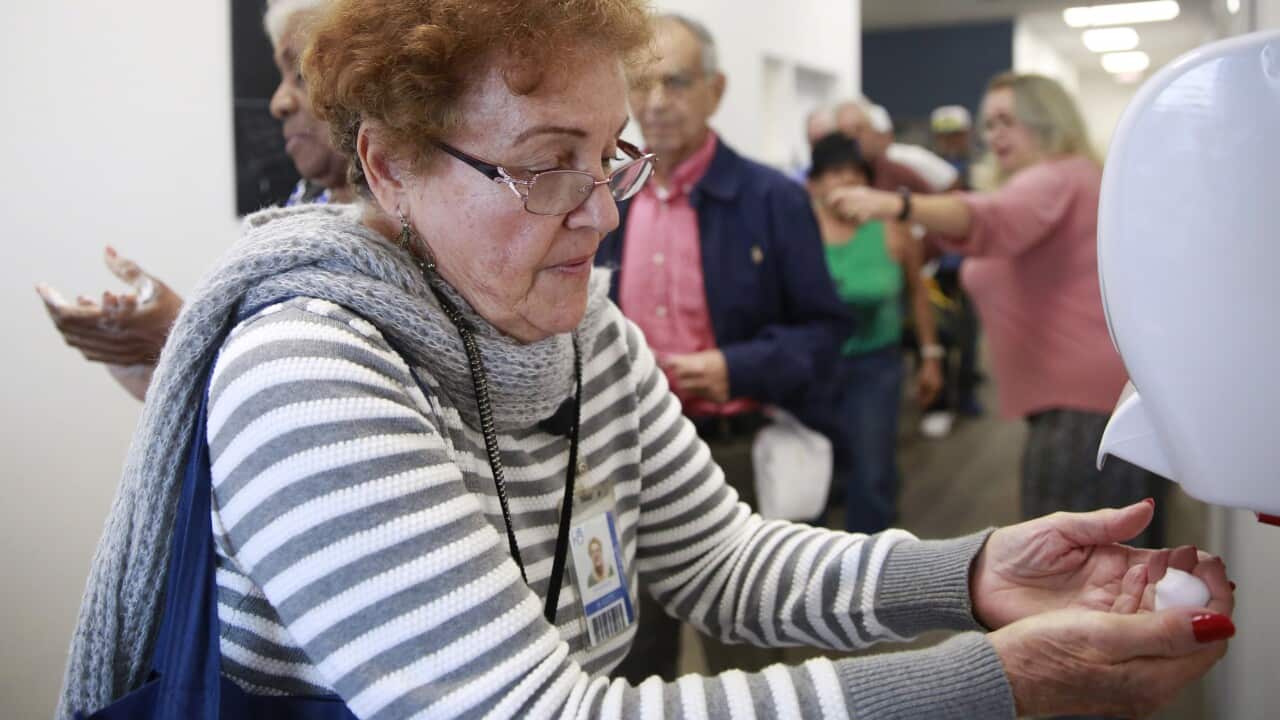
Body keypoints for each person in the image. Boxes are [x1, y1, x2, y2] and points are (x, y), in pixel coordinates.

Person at [58, 5, 1234, 718]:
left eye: (606, 156)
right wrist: (1002, 678)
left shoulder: (582, 336)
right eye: (541, 163)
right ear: (387, 166)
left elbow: (720, 561)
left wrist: (975, 575)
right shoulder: (310, 371)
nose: (600, 212)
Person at [595, 13, 850, 678]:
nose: (654, 103)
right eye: (641, 83)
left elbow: (824, 336)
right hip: (625, 463)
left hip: (731, 461)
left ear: (716, 89)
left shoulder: (770, 199)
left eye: (675, 82)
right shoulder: (604, 199)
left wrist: (737, 368)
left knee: (747, 661)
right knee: (626, 660)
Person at [828, 72, 1169, 552]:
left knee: (1074, 560)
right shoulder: (1061, 179)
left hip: (1083, 407)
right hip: (1082, 400)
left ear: (1046, 120)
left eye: (1008, 121)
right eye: (989, 124)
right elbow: (990, 229)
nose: (995, 135)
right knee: (1097, 556)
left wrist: (896, 204)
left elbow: (990, 220)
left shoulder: (1056, 177)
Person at [34, 0, 352, 402]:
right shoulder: (302, 208)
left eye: (302, 76)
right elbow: (241, 416)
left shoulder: (406, 235)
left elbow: (323, 399)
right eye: (281, 77)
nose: (279, 102)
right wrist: (149, 362)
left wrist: (185, 332)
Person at [807, 133, 942, 533]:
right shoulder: (798, 225)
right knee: (814, 471)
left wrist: (931, 357)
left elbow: (918, 294)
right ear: (814, 183)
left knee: (872, 471)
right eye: (833, 173)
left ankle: (872, 568)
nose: (845, 181)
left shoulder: (890, 229)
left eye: (854, 173)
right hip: (812, 365)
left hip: (875, 364)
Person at [864, 103, 959, 193]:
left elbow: (951, 180)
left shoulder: (910, 157)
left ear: (887, 135)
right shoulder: (858, 164)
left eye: (955, 135)